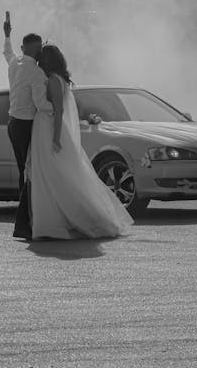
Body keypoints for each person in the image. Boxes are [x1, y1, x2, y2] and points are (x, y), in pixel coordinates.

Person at [27, 44, 134, 240]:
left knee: (57, 178)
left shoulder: (53, 81)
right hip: (47, 130)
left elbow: (58, 111)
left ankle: (62, 221)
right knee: (53, 177)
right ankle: (52, 221)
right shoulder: (58, 80)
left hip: (50, 131)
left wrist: (56, 138)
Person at [2, 14, 52, 240]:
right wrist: (62, 107)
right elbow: (41, 104)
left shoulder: (16, 63)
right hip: (27, 125)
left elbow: (8, 53)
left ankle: (26, 221)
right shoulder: (36, 72)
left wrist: (6, 36)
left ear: (24, 48)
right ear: (39, 50)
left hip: (13, 124)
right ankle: (23, 223)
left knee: (24, 172)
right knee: (30, 174)